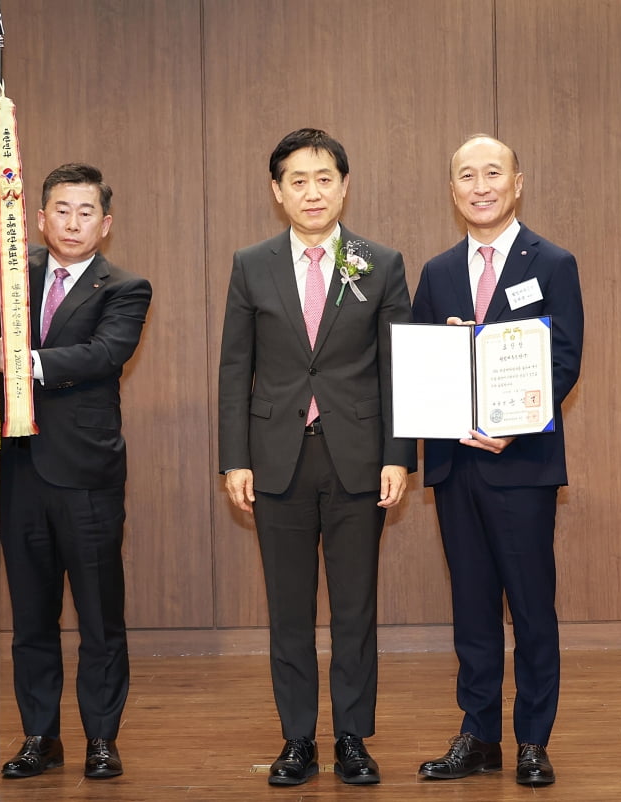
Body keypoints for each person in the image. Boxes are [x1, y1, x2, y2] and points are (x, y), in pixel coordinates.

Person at [217, 128, 415, 786]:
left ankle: (353, 737)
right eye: (297, 180)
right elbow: (233, 371)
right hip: (276, 460)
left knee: (356, 606)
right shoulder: (251, 264)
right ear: (277, 192)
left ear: (345, 185)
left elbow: (397, 370)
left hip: (358, 458)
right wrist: (234, 459)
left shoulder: (381, 263)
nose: (312, 191)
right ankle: (297, 738)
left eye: (324, 177)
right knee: (289, 608)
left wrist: (399, 455)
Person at [412, 135, 584, 787]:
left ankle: (534, 740)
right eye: (466, 175)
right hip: (457, 467)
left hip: (523, 465)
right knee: (473, 607)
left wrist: (510, 425)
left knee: (532, 606)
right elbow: (424, 367)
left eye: (492, 173)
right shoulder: (437, 272)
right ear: (453, 191)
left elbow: (564, 357)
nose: (480, 185)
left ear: (517, 183)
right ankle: (478, 735)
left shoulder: (554, 263)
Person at [0, 163, 152, 781]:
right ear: (38, 218)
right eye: (61, 210)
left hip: (86, 475)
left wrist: (23, 361)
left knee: (98, 616)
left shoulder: (125, 287)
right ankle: (40, 735)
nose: (72, 223)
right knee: (31, 616)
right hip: (19, 469)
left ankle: (102, 740)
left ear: (105, 224)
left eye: (86, 212)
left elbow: (104, 353)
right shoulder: (11, 276)